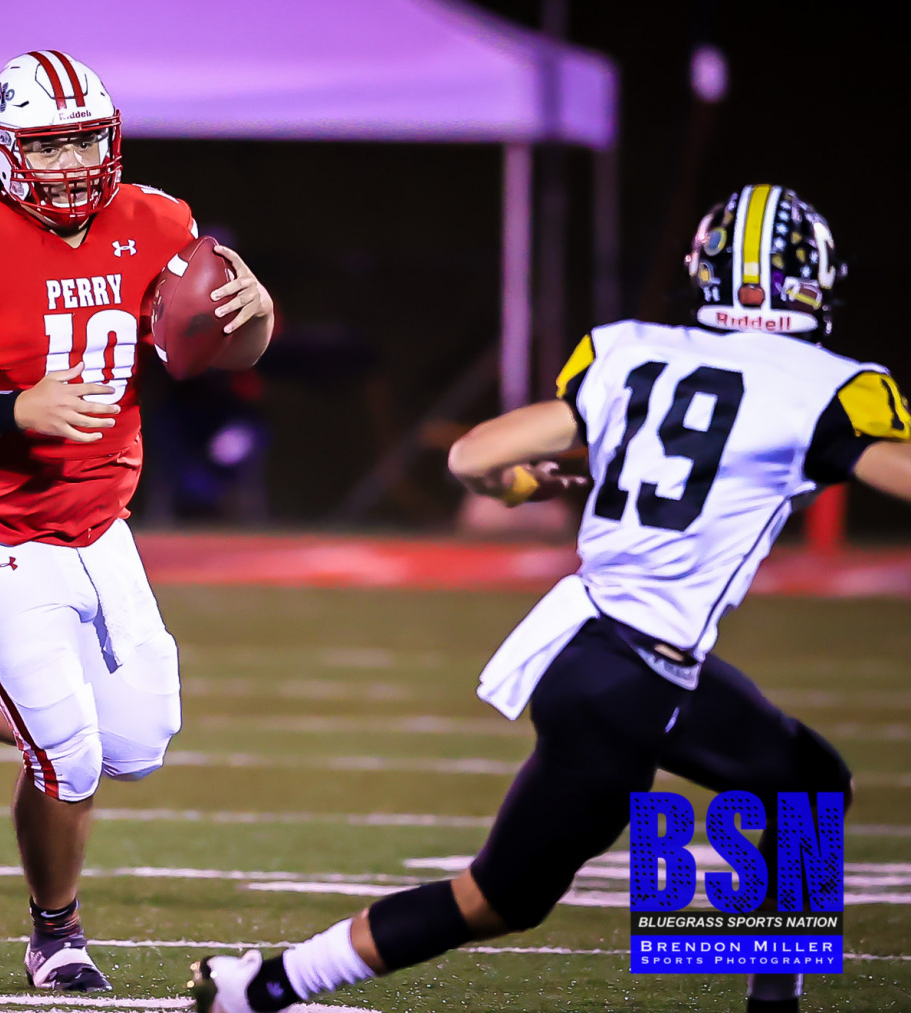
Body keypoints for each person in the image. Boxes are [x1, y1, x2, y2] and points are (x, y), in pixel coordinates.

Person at [189, 185, 910, 1013]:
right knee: (498, 898)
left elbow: (471, 455)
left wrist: (523, 483)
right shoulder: (830, 386)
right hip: (630, 677)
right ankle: (264, 986)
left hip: (601, 653)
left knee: (807, 779)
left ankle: (774, 1003)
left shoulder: (631, 350)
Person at [0, 51, 274, 992]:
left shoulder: (155, 221)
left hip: (98, 520)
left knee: (137, 742)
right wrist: (18, 409)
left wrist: (255, 317)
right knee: (66, 752)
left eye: (86, 139)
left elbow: (212, 351)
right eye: (50, 145)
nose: (74, 161)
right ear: (5, 151)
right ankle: (55, 935)